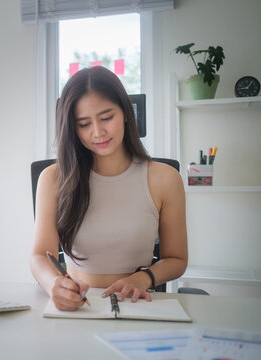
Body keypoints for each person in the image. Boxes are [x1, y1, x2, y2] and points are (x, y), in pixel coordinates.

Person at [30, 66, 188, 311]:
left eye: (106, 118)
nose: (98, 132)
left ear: (126, 113)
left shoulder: (165, 178)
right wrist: (54, 285)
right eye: (84, 123)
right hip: (79, 306)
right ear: (72, 128)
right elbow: (40, 255)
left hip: (137, 304)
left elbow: (177, 259)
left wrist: (144, 278)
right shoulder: (53, 179)